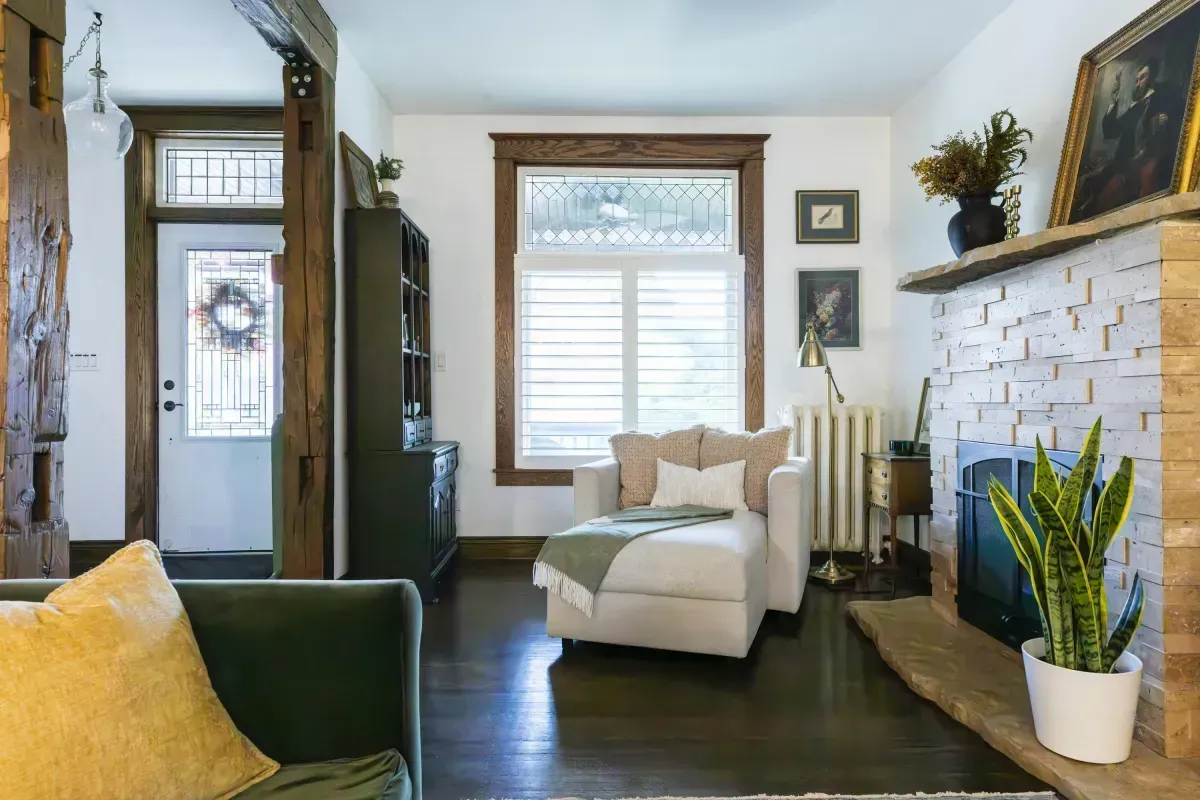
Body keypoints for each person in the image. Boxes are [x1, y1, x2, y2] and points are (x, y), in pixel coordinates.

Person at [1072, 57, 1183, 220]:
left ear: (1152, 77)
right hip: (1125, 164)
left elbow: (1181, 117)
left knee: (1109, 198)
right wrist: (1113, 100)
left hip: (1149, 159)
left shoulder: (1164, 97)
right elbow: (1111, 131)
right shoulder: (1137, 106)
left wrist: (1166, 120)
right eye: (1137, 79)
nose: (1138, 83)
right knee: (1091, 190)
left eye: (1143, 77)